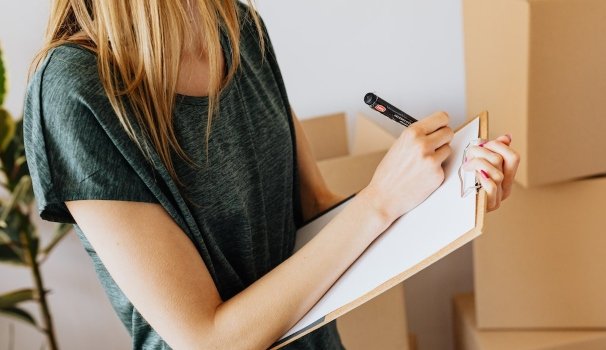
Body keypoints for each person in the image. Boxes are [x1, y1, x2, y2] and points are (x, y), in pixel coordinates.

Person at [23, 0, 519, 349]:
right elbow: (206, 340)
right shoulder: (74, 91)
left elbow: (318, 215)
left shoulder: (239, 27)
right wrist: (380, 199)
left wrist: (451, 193)